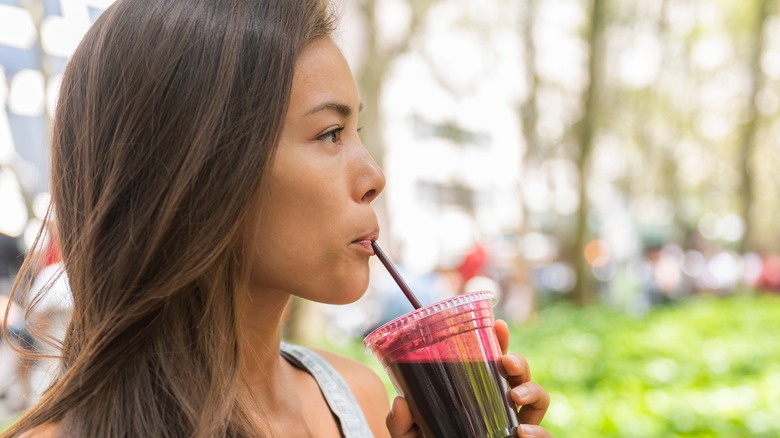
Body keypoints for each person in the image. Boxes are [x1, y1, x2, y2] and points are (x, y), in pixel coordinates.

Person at [2, 0, 551, 436]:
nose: (374, 175)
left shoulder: (363, 400)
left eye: (355, 132)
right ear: (201, 171)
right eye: (329, 133)